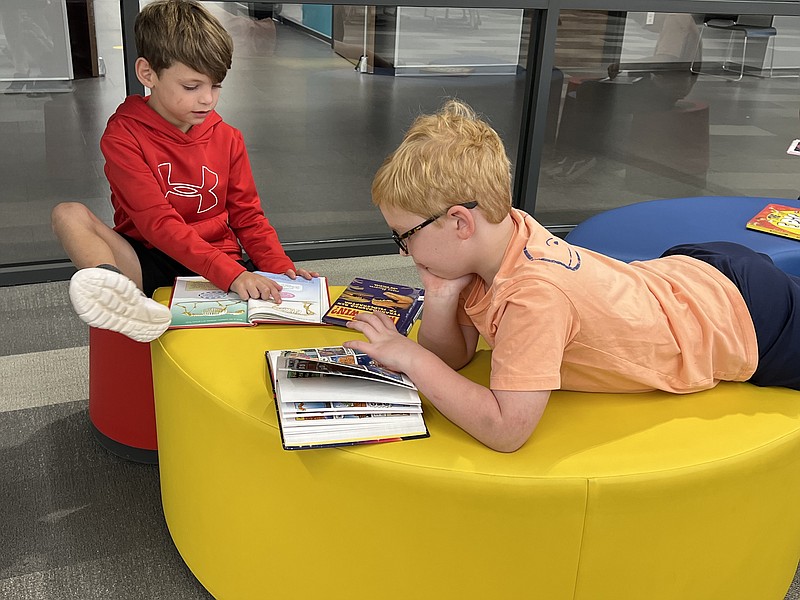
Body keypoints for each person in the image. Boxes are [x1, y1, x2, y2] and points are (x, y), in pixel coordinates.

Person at [343, 99, 800, 453]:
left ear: (461, 223)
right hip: (689, 273)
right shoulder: (501, 236)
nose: (403, 251)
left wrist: (410, 358)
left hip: (744, 318)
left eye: (405, 235)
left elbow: (507, 430)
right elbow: (457, 357)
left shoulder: (532, 298)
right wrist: (441, 297)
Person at [51, 0, 316, 343]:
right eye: (192, 87)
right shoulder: (123, 135)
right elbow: (157, 225)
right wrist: (231, 275)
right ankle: (117, 295)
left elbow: (248, 217)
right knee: (67, 214)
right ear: (148, 74)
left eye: (216, 85)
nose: (208, 99)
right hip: (150, 258)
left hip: (222, 260)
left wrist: (280, 269)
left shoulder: (227, 137)